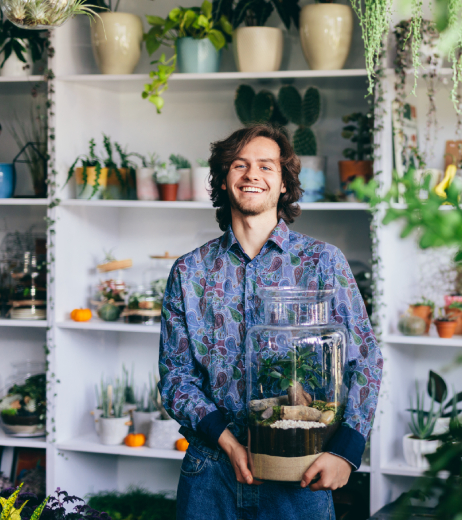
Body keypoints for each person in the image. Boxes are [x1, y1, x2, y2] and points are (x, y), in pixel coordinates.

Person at [158, 124, 382, 520]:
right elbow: (176, 377)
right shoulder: (189, 271)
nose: (252, 175)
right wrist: (228, 442)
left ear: (283, 184)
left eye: (266, 166)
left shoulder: (323, 262)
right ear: (224, 181)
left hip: (299, 471)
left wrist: (345, 452)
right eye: (239, 165)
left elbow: (365, 359)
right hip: (211, 475)